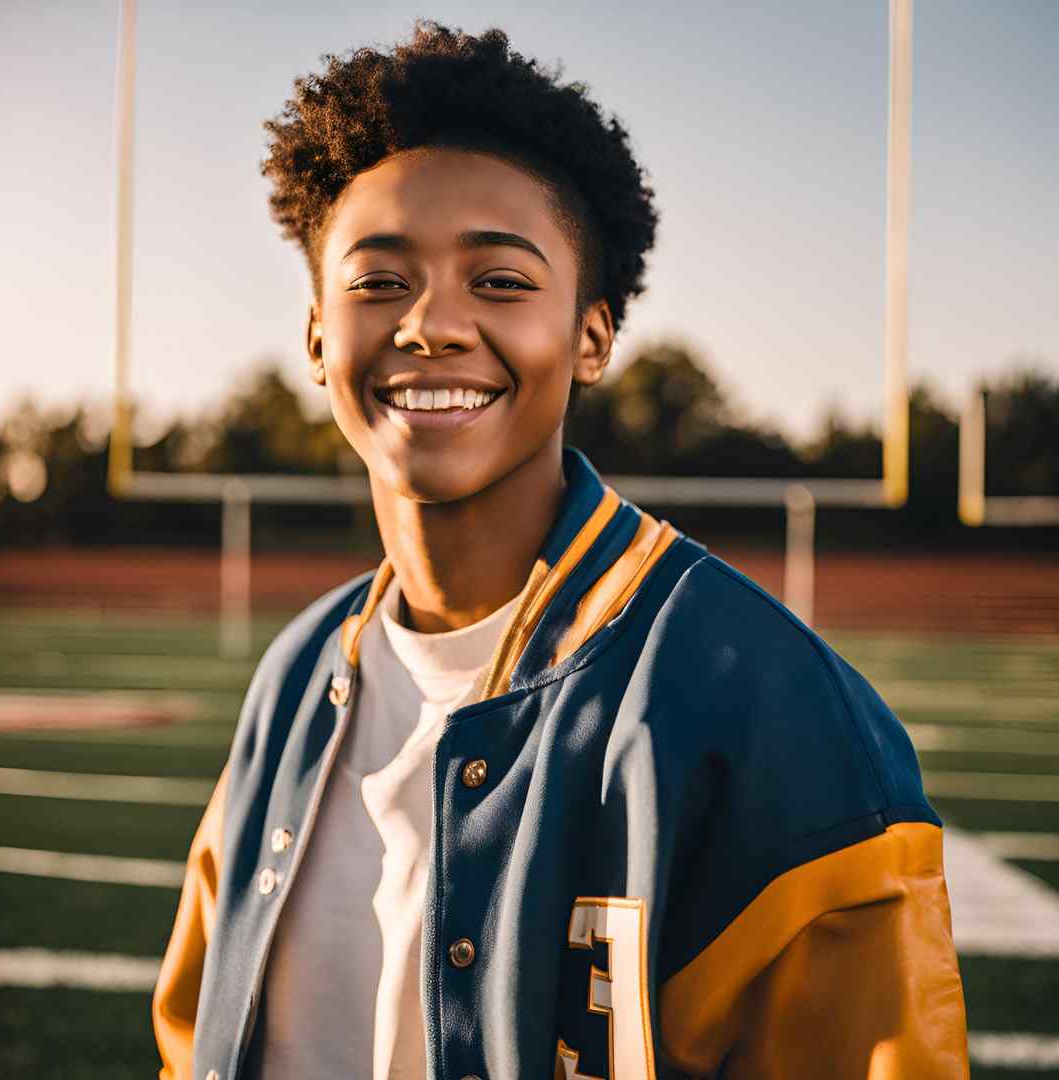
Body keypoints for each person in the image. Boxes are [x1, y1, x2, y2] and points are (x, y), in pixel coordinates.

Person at [153, 19, 969, 1080]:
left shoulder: (776, 715)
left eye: (499, 281)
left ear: (592, 336)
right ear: (316, 335)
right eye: (378, 281)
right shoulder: (296, 680)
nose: (431, 325)